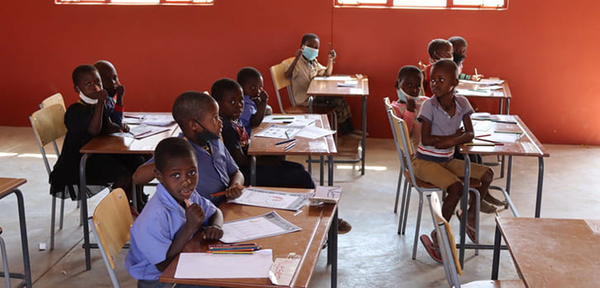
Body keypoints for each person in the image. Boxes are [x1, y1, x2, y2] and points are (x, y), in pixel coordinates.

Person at [414, 60, 501, 262]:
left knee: (487, 174)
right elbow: (426, 140)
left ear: (454, 82)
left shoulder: (462, 103)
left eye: (441, 80)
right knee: (456, 188)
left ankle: (470, 213)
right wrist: (455, 138)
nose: (435, 84)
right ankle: (439, 232)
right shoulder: (429, 105)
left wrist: (449, 141)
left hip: (447, 159)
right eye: (433, 80)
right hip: (425, 162)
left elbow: (470, 133)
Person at [125, 137, 223, 288]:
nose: (186, 181)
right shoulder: (153, 218)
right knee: (217, 282)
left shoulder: (187, 194)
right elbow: (163, 265)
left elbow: (216, 212)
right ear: (159, 176)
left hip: (184, 262)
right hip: (159, 280)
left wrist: (216, 226)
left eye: (192, 172)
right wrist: (189, 227)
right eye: (176, 175)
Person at [49, 64, 143, 204]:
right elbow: (94, 130)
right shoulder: (76, 111)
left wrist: (118, 126)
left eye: (97, 82)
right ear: (77, 89)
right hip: (79, 162)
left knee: (138, 161)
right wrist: (100, 103)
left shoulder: (99, 105)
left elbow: (109, 124)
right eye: (88, 84)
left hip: (98, 154)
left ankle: (138, 203)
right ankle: (113, 213)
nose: (94, 87)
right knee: (123, 175)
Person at [132, 91, 244, 206]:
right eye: (214, 118)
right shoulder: (179, 150)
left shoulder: (214, 142)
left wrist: (235, 185)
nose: (220, 122)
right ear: (194, 125)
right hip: (203, 213)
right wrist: (168, 160)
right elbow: (137, 178)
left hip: (228, 204)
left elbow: (236, 172)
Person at [211, 78, 315, 189]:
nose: (239, 105)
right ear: (216, 104)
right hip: (246, 174)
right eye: (232, 102)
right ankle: (316, 203)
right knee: (302, 176)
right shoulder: (226, 128)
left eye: (241, 100)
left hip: (251, 166)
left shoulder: (234, 119)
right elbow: (241, 161)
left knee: (298, 168)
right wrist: (269, 161)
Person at [284, 33, 359, 137]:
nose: (313, 49)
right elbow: (287, 75)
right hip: (306, 100)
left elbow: (327, 73)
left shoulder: (313, 62)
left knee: (340, 98)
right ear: (302, 46)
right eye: (310, 46)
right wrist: (297, 58)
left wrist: (330, 60)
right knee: (337, 101)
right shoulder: (296, 63)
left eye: (316, 47)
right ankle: (346, 132)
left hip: (314, 95)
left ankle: (349, 129)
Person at [391, 65, 429, 147]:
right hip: (418, 150)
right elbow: (404, 136)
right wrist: (409, 111)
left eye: (418, 86)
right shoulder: (396, 109)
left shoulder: (425, 101)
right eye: (409, 85)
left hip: (432, 144)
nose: (413, 90)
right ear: (397, 84)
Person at [236, 67, 271, 135]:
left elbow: (269, 110)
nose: (257, 91)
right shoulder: (245, 103)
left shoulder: (251, 99)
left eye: (260, 88)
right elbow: (255, 122)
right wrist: (263, 103)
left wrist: (261, 107)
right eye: (252, 88)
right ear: (240, 87)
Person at [93, 60, 128, 126]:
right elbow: (109, 125)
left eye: (115, 78)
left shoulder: (109, 100)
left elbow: (116, 120)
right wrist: (118, 127)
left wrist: (119, 98)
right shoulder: (96, 104)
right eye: (107, 79)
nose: (112, 83)